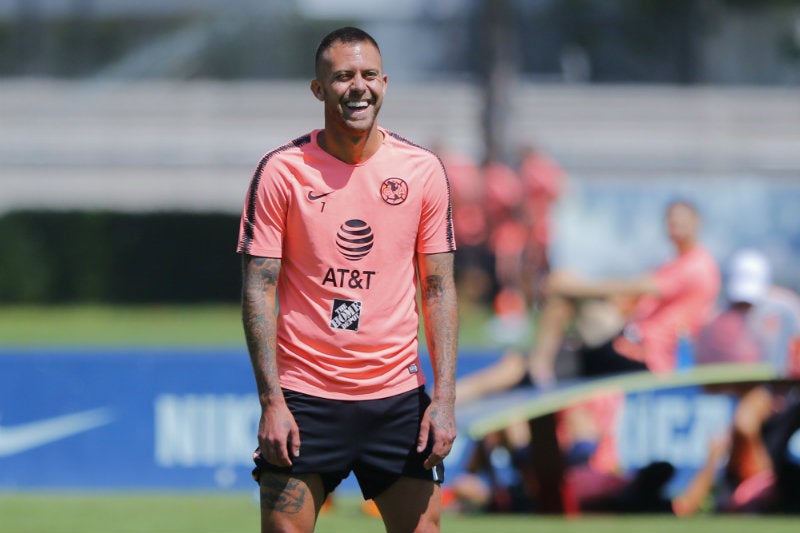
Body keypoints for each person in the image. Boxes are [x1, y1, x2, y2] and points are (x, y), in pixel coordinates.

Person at [237, 27, 458, 533]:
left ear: (384, 82)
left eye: (367, 75)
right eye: (342, 77)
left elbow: (439, 289)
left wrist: (443, 402)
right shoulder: (281, 171)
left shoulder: (422, 170)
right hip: (305, 398)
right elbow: (258, 287)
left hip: (396, 399)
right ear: (319, 89)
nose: (358, 87)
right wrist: (272, 402)